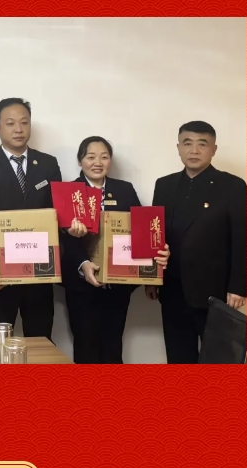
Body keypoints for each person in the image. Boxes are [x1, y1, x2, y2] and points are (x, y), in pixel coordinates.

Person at [0, 97, 82, 340]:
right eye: (10, 123)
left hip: (40, 271)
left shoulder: (48, 164)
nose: (19, 129)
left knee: (40, 340)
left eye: (24, 122)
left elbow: (58, 211)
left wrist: (70, 227)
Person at [146, 121, 247, 364]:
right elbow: (155, 235)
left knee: (219, 360)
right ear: (178, 148)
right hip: (172, 288)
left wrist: (239, 286)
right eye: (187, 143)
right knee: (178, 357)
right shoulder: (164, 184)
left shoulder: (232, 186)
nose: (194, 150)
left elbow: (242, 237)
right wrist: (151, 277)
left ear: (214, 149)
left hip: (215, 290)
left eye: (202, 144)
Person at [63, 137, 170, 363]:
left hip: (118, 286)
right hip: (81, 285)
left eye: (104, 157)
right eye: (91, 157)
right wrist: (83, 263)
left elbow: (142, 229)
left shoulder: (124, 189)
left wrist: (157, 253)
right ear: (80, 161)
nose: (97, 163)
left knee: (113, 344)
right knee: (85, 345)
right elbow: (62, 240)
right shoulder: (69, 192)